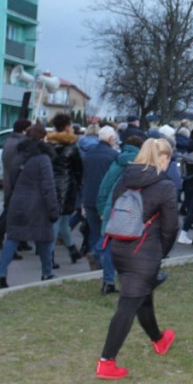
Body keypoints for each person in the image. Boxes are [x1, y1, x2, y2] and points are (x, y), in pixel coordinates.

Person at [95, 138, 179, 380]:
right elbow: (170, 227)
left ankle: (159, 340)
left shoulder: (126, 178)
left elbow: (114, 208)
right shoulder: (165, 186)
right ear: (163, 159)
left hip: (120, 248)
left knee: (142, 296)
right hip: (144, 252)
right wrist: (161, 252)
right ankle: (106, 362)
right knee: (128, 304)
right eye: (168, 159)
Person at [0, 123, 60, 288]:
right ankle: (47, 272)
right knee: (44, 239)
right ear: (43, 138)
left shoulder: (19, 156)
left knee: (12, 238)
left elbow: (12, 179)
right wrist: (53, 208)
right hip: (38, 205)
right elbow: (48, 186)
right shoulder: (43, 159)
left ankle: (1, 274)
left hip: (17, 201)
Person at [83, 125, 120, 293]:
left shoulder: (89, 154)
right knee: (106, 236)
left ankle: (98, 263)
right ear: (111, 139)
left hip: (89, 197)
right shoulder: (113, 156)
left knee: (94, 232)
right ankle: (98, 255)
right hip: (103, 200)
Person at [46, 113, 83, 271]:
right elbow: (79, 169)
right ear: (68, 127)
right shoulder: (72, 147)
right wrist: (79, 185)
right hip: (66, 188)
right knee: (58, 222)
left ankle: (72, 250)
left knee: (63, 222)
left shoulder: (49, 145)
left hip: (51, 186)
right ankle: (49, 257)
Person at [0, 118, 32, 246]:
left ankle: (20, 241)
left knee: (13, 210)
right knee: (13, 212)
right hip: (17, 181)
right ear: (24, 130)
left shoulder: (9, 141)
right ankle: (1, 232)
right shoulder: (22, 143)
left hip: (9, 180)